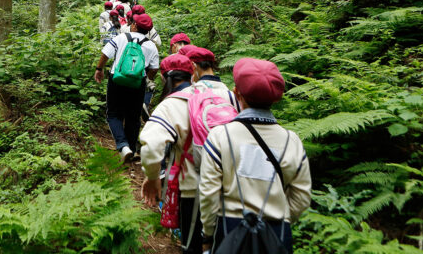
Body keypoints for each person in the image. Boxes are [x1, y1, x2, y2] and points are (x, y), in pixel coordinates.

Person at [199, 58, 312, 254]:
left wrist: (208, 234)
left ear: (236, 93)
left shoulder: (220, 136)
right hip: (277, 234)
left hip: (230, 231)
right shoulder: (291, 141)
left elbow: (209, 194)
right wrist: (280, 218)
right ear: (276, 99)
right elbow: (301, 198)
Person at [139, 53, 236, 254]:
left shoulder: (172, 104)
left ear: (166, 78)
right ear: (191, 73)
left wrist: (153, 177)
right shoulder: (224, 97)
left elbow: (151, 145)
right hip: (230, 187)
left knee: (192, 246)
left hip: (192, 188)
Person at [95, 13, 160, 163]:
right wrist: (146, 77)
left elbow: (105, 54)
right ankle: (131, 147)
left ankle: (123, 146)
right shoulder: (151, 46)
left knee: (113, 114)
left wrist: (99, 69)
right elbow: (154, 69)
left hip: (116, 80)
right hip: (137, 83)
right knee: (133, 116)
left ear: (134, 25)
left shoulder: (121, 38)